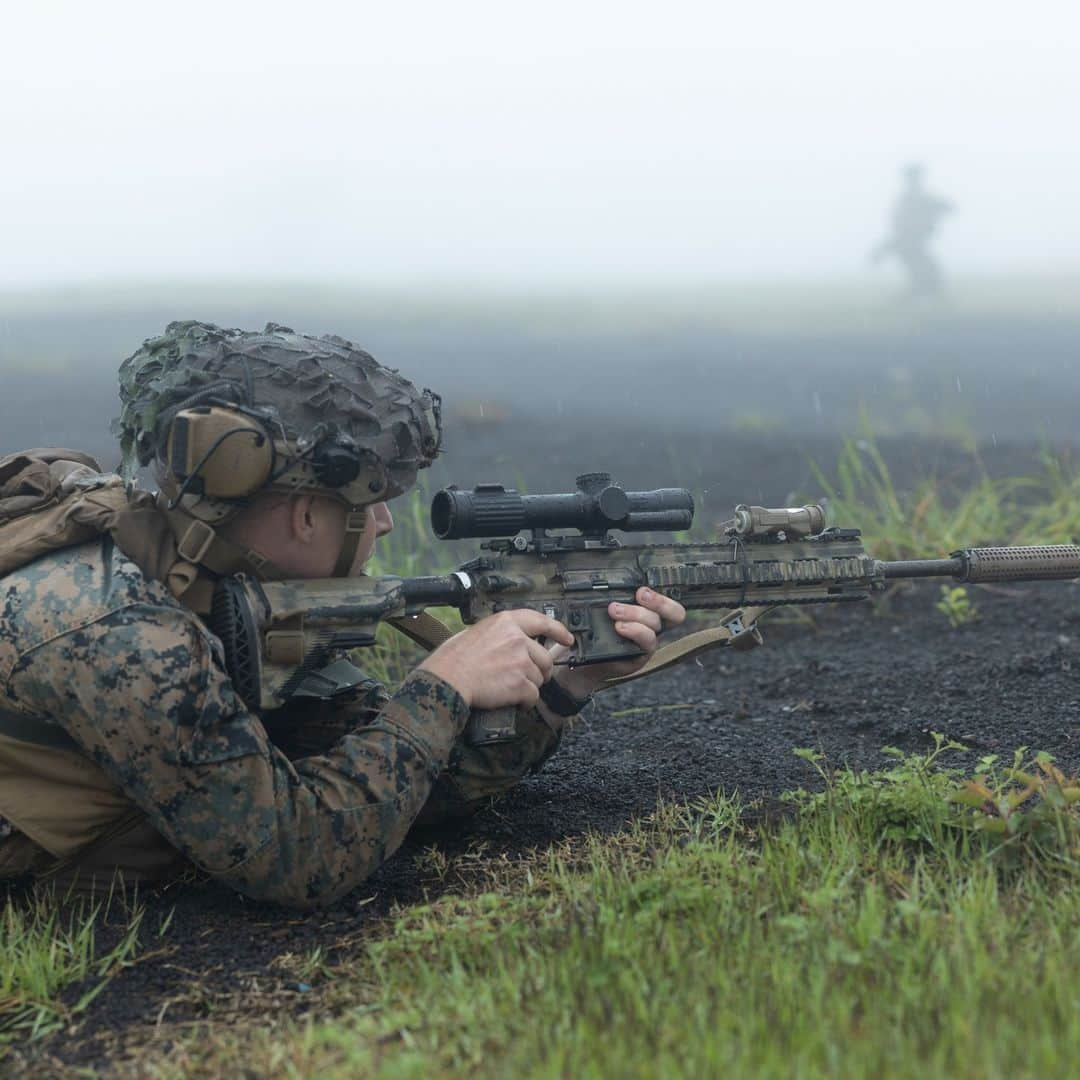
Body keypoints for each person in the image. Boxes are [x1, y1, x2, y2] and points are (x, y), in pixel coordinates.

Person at [0, 321, 684, 908]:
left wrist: (562, 686)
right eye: (370, 503)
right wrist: (442, 684)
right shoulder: (117, 629)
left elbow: (390, 791)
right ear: (305, 516)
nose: (384, 524)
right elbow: (296, 856)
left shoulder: (227, 591)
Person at [869, 163, 954, 298]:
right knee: (922, 268)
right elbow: (899, 225)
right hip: (910, 240)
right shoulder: (911, 198)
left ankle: (922, 293)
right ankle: (921, 293)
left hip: (913, 240)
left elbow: (948, 207)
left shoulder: (919, 198)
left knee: (924, 268)